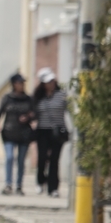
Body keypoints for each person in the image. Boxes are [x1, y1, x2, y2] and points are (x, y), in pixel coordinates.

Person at [0, 73, 35, 195]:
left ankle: (19, 185)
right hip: (9, 133)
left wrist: (28, 117)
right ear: (14, 84)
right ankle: (8, 184)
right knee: (9, 157)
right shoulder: (7, 98)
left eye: (23, 83)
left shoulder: (28, 99)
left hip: (24, 134)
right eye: (19, 83)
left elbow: (35, 114)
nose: (21, 85)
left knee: (21, 161)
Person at [33, 68, 69, 197]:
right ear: (43, 83)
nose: (51, 83)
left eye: (52, 80)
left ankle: (53, 187)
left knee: (54, 159)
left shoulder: (62, 95)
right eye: (48, 81)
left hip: (58, 131)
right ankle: (40, 180)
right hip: (42, 131)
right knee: (42, 158)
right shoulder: (38, 97)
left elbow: (69, 109)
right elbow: (33, 112)